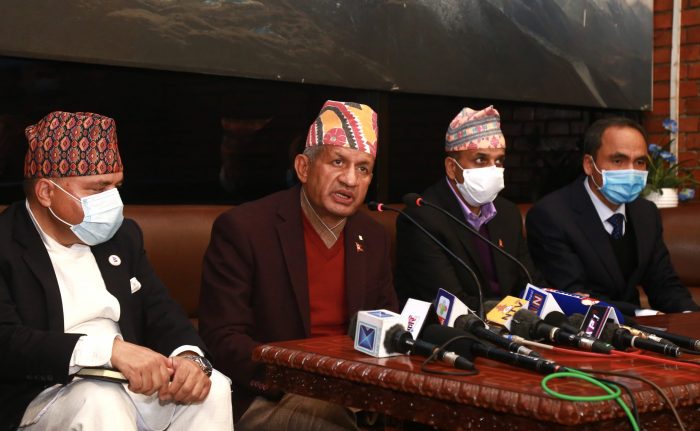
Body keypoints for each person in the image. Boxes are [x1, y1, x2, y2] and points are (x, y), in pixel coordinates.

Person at [0, 111, 233, 431]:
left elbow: (160, 309)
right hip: (44, 394)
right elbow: (8, 341)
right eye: (98, 189)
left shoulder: (122, 236)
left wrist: (190, 358)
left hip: (128, 384)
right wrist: (109, 351)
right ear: (46, 192)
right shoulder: (6, 243)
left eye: (116, 186)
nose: (112, 200)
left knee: (210, 387)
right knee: (100, 398)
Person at [199, 100, 398, 430]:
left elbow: (386, 324)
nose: (350, 179)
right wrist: (306, 381)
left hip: (354, 394)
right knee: (326, 414)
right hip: (267, 395)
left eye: (363, 169)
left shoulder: (373, 237)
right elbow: (223, 337)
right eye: (338, 162)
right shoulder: (245, 229)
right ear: (304, 168)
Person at [526, 117, 700, 316]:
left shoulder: (646, 212)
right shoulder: (551, 215)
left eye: (640, 162)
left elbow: (664, 285)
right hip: (585, 327)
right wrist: (641, 314)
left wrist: (691, 318)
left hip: (641, 327)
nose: (631, 171)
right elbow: (574, 295)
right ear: (589, 165)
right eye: (618, 161)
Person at [395, 106, 537, 312]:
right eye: (481, 160)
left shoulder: (508, 213)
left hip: (512, 324)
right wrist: (518, 315)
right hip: (457, 328)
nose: (493, 170)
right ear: (452, 168)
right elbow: (449, 305)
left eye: (499, 161)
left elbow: (530, 284)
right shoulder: (422, 218)